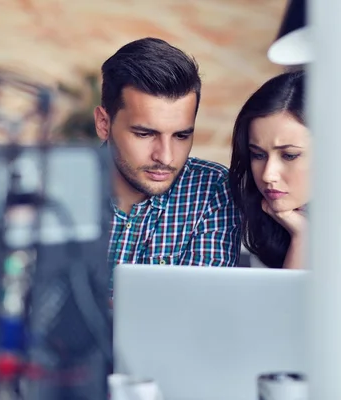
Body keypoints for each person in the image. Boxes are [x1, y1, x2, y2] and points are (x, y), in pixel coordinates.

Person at [94, 37, 241, 271]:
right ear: (103, 123)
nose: (166, 157)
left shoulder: (211, 189)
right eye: (144, 134)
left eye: (181, 136)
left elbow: (202, 301)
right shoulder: (56, 186)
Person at [229, 70, 309, 269]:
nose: (267, 175)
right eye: (258, 155)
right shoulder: (270, 224)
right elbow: (283, 300)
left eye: (289, 155)